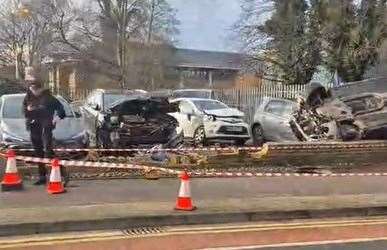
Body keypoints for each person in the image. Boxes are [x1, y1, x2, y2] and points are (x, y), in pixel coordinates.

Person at [22, 67, 67, 185]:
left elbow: (62, 111)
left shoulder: (48, 97)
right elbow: (25, 112)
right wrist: (28, 110)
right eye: (31, 88)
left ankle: (62, 172)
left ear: (39, 88)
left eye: (34, 88)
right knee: (38, 153)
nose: (32, 90)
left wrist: (56, 119)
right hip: (34, 127)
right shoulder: (28, 97)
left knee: (48, 150)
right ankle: (42, 177)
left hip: (46, 126)